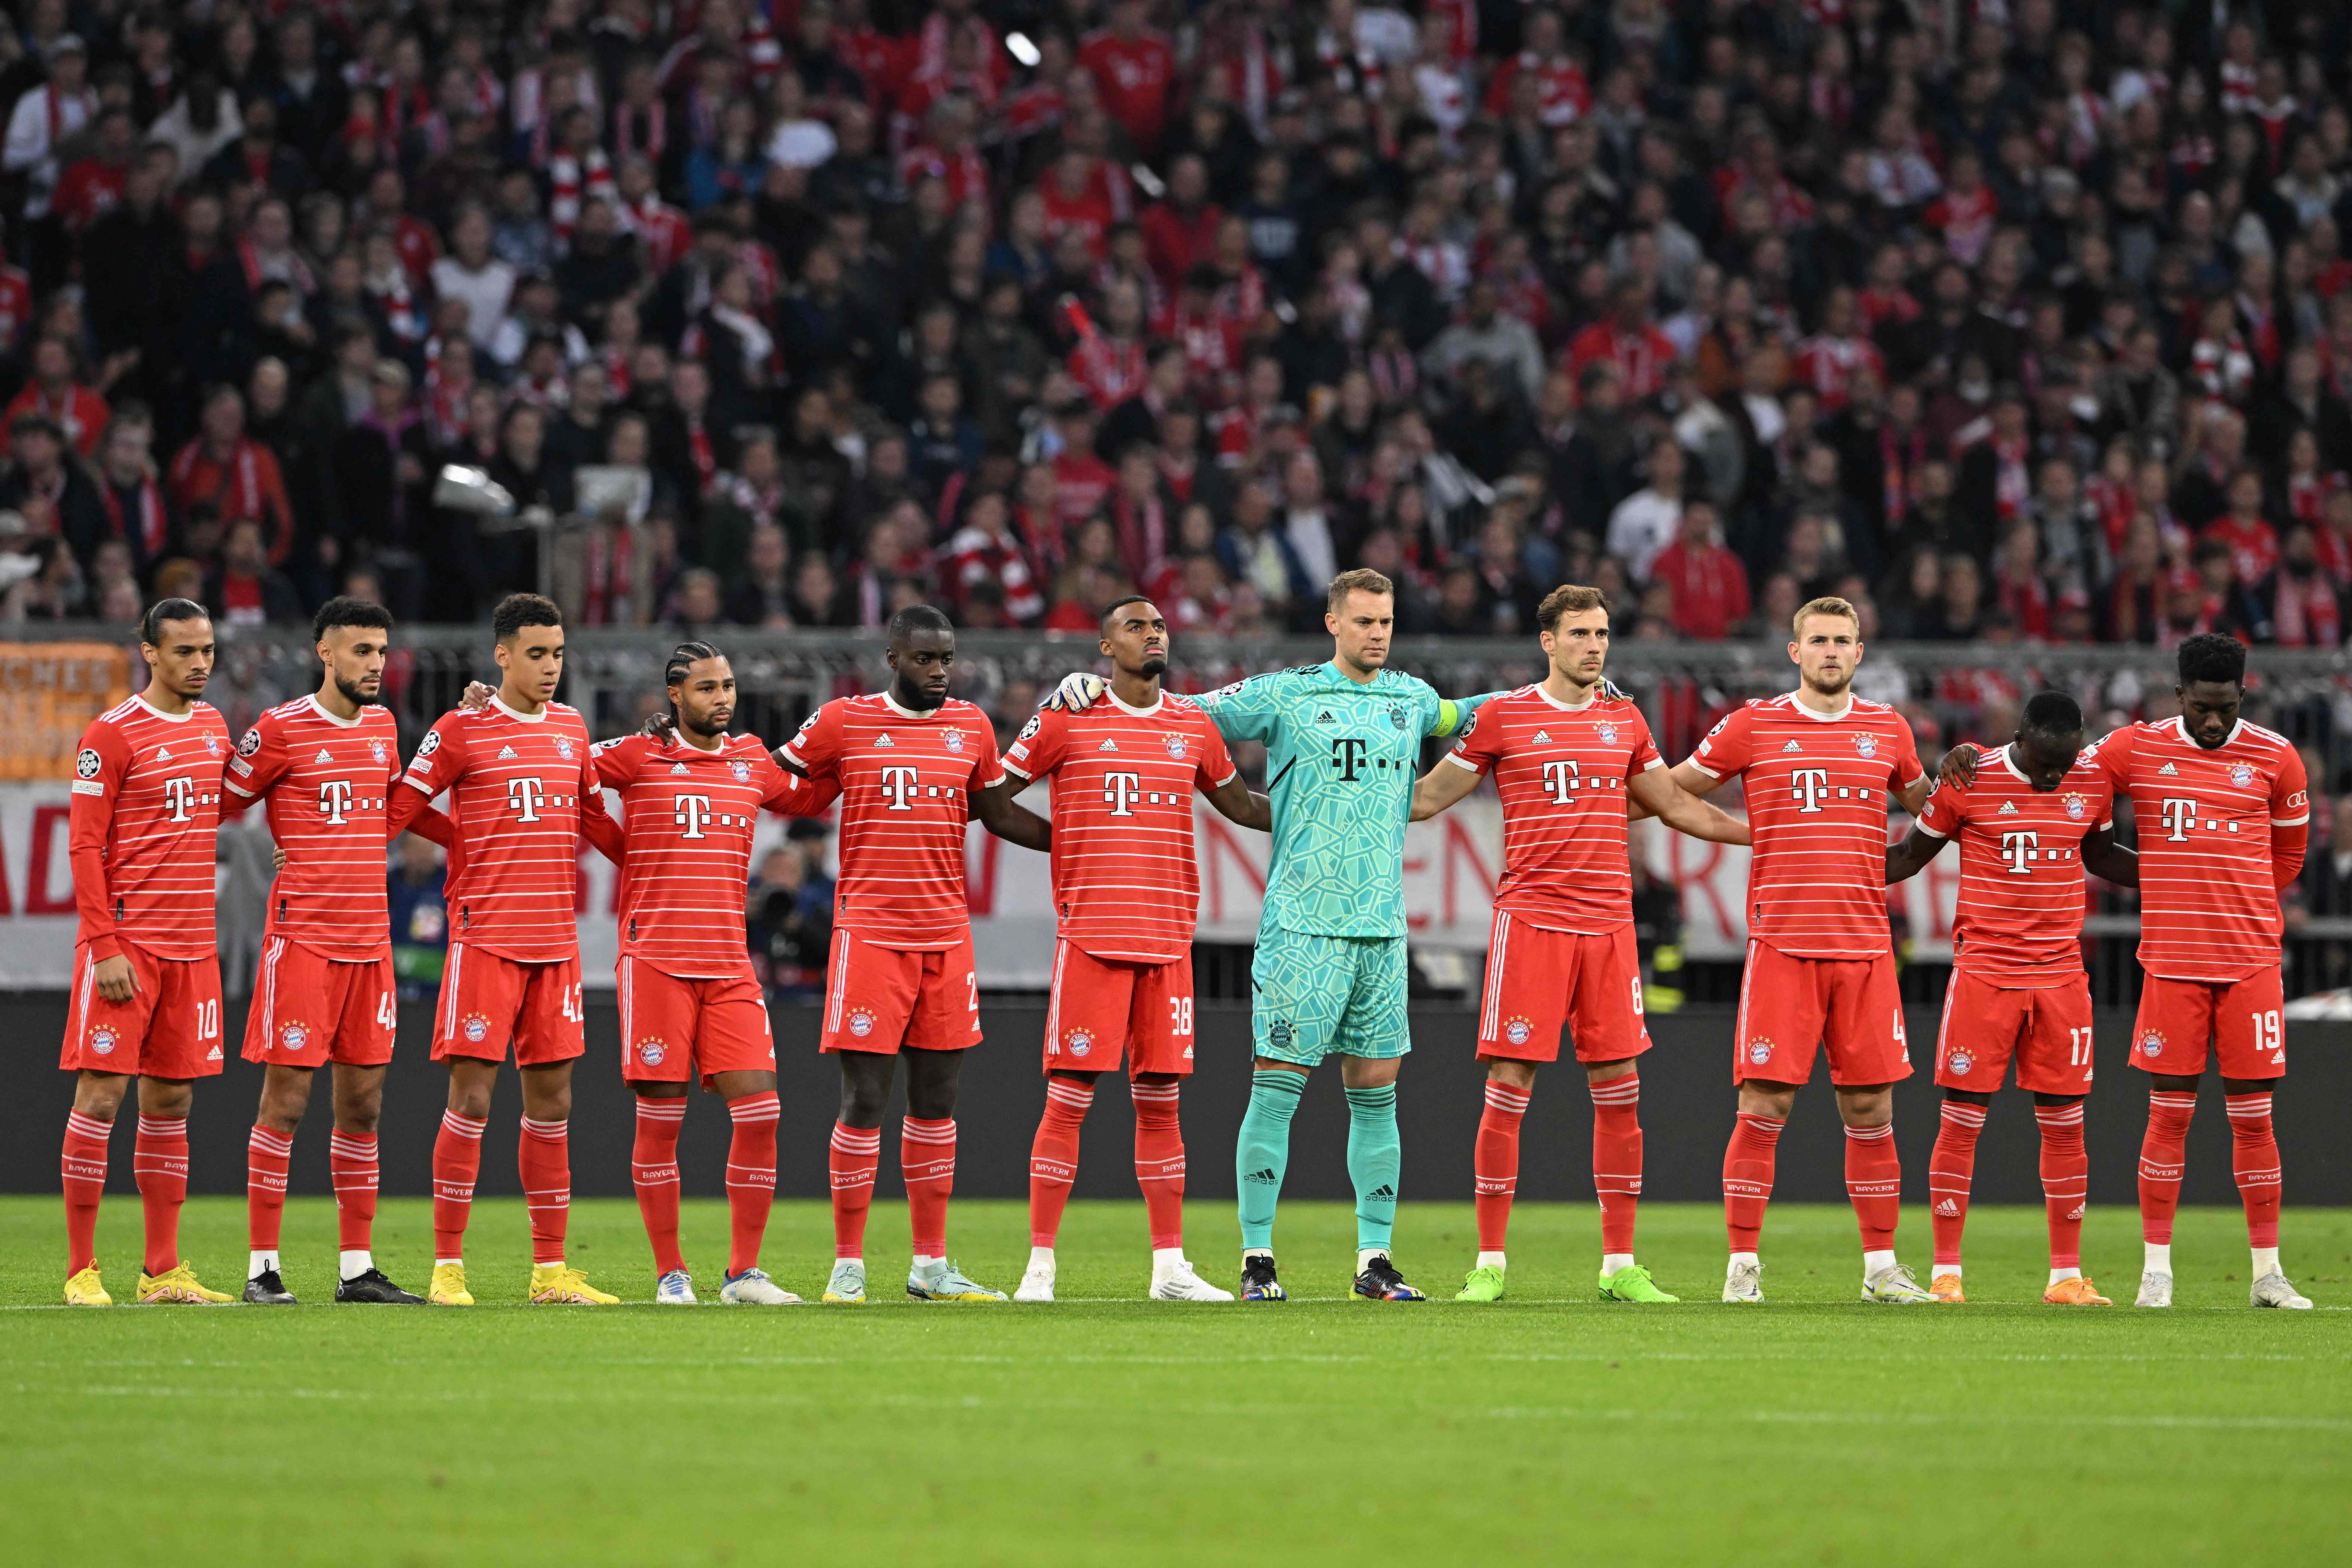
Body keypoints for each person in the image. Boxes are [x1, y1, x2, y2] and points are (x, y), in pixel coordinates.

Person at [1051, 569, 1500, 1302]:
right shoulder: (1283, 693)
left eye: (1385, 621)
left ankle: (1375, 1262)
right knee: (1277, 1093)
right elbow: (1178, 713)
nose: (1377, 633)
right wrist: (1093, 685)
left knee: (1378, 1098)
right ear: (1332, 624)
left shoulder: (1412, 700)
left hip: (1382, 931)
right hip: (1301, 926)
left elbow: (1475, 715)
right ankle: (1257, 1260)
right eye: (1363, 621)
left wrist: (1564, 692)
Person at [1939, 635, 2314, 1310]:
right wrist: (1968, 758)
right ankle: (2157, 1274)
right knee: (2168, 1117)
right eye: (2201, 707)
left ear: (2243, 698)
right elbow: (2052, 774)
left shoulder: (2277, 760)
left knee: (2255, 1119)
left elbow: (2286, 864)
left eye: (2225, 709)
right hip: (2170, 963)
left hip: (2251, 959)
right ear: (2179, 697)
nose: (2212, 721)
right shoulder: (2132, 749)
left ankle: (2268, 1274)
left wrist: (2219, 892)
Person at [1408, 584, 1751, 1303]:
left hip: (1609, 928)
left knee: (1620, 1094)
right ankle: (1491, 1264)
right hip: (1530, 923)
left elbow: (1678, 805)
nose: (1595, 646)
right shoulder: (1503, 716)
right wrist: (1340, 800)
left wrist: (1771, 833)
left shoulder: (1625, 720)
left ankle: (1619, 1265)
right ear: (1549, 642)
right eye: (1581, 634)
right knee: (1509, 1089)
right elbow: (1430, 796)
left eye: (1602, 634)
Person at [991, 595, 1270, 1303]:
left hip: (1169, 940)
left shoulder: (1192, 726)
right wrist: (1069, 841)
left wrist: (1326, 809)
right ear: (1106, 647)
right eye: (1136, 627)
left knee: (1161, 1102)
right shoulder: (1067, 717)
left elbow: (1241, 807)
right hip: (1092, 936)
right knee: (1069, 1099)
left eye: (1159, 626)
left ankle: (1170, 1268)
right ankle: (1040, 1269)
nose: (1153, 634)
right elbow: (991, 797)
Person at [1664, 596, 1937, 1303]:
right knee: (1764, 1105)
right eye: (1817, 640)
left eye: (1843, 641)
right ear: (1794, 652)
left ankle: (1882, 1271)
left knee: (1872, 1111)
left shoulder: (1888, 730)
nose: (1830, 652)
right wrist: (1740, 832)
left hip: (1866, 951)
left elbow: (1935, 811)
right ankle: (1742, 1271)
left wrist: (1971, 772)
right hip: (1783, 946)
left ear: (1859, 653)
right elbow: (1667, 794)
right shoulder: (1754, 726)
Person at [781, 604, 1052, 1305]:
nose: (939, 671)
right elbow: (775, 776)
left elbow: (997, 814)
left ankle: (930, 1264)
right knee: (865, 1098)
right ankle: (848, 1263)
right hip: (870, 933)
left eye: (947, 659)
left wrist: (1077, 839)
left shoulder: (970, 726)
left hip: (946, 936)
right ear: (894, 658)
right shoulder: (843, 720)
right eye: (925, 659)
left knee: (937, 1100)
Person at [386, 594, 629, 1306]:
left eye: (557, 654)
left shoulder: (571, 728)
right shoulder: (462, 729)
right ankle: (448, 1267)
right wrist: (458, 840)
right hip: (485, 939)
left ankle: (550, 1272)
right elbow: (401, 807)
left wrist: (650, 859)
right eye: (536, 654)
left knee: (552, 1102)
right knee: (471, 1097)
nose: (551, 667)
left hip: (554, 945)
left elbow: (591, 818)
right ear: (502, 655)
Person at [219, 598, 455, 1305]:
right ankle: (263, 1268)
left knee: (363, 1106)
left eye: (381, 652)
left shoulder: (383, 727)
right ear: (326, 653)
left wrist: (473, 835)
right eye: (361, 651)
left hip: (369, 942)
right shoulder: (282, 730)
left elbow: (395, 810)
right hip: (303, 942)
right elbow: (225, 800)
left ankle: (357, 1270)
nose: (376, 665)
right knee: (286, 1102)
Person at [590, 642, 837, 1305]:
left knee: (761, 1114)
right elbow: (565, 773)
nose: (722, 698)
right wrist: (624, 850)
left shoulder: (751, 758)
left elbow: (805, 796)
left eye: (728, 686)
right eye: (706, 688)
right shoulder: (637, 755)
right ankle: (673, 1274)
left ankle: (742, 1274)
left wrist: (863, 753)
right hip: (657, 961)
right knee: (661, 1121)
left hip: (729, 964)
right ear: (676, 696)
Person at [1885, 690, 2139, 1304]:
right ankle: (1947, 1272)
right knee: (1962, 1120)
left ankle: (2065, 1277)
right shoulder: (1970, 776)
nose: (2056, 776)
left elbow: (2101, 854)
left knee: (2065, 1126)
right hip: (1985, 974)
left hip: (2061, 978)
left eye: (2065, 762)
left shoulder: (2092, 778)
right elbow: (1912, 855)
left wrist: (2182, 869)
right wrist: (1835, 866)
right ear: (2020, 740)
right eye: (2046, 762)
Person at [58, 599, 235, 1306]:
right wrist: (103, 945)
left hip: (194, 950)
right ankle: (81, 1270)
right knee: (101, 1098)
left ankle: (161, 1270)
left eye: (208, 650)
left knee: (171, 1101)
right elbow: (82, 846)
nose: (199, 663)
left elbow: (246, 793)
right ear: (150, 653)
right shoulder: (113, 734)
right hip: (127, 946)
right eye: (186, 651)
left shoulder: (216, 727)